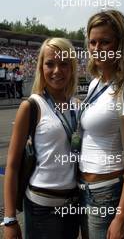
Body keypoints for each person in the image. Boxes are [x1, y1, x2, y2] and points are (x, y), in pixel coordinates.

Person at [2, 38, 79, 239]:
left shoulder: (78, 106)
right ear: (41, 67)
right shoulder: (31, 106)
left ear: (71, 68)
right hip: (41, 208)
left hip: (73, 206)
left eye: (63, 64)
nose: (57, 71)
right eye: (50, 64)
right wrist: (10, 219)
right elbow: (12, 165)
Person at [78, 10, 124, 239]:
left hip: (108, 191)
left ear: (120, 45)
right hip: (84, 189)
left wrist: (121, 216)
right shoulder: (94, 84)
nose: (97, 48)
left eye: (105, 42)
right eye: (92, 42)